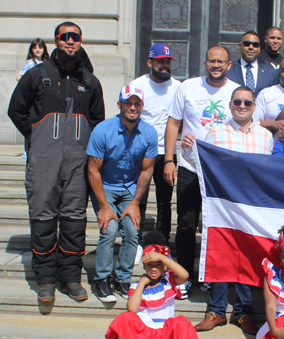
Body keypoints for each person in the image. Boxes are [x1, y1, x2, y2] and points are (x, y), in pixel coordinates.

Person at [8, 21, 105, 302]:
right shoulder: (38, 75)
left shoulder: (90, 82)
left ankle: (71, 277)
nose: (70, 41)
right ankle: (46, 279)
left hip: (77, 164)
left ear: (80, 40)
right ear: (57, 41)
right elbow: (17, 110)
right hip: (43, 163)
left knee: (74, 220)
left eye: (74, 37)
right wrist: (37, 135)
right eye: (64, 37)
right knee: (43, 219)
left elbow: (97, 122)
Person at [182, 86, 273, 334]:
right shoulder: (216, 131)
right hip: (222, 205)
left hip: (251, 206)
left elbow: (269, 171)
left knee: (247, 257)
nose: (242, 106)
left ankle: (244, 312)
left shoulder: (265, 136)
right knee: (221, 254)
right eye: (237, 102)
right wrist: (189, 147)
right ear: (230, 105)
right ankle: (217, 311)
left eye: (247, 102)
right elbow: (197, 162)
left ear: (254, 106)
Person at [164, 46, 240, 298]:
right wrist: (168, 159)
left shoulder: (236, 92)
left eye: (221, 61)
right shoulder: (187, 87)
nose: (216, 65)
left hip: (221, 171)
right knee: (185, 223)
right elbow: (174, 122)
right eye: (212, 61)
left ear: (229, 65)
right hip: (190, 167)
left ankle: (211, 277)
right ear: (205, 63)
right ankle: (184, 275)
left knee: (216, 226)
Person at [100, 230, 204, 339]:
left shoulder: (169, 280)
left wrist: (162, 257)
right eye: (150, 265)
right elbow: (132, 310)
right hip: (143, 334)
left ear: (164, 266)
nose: (154, 269)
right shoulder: (137, 285)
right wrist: (142, 283)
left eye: (158, 265)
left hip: (164, 334)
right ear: (144, 266)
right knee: (124, 318)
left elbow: (185, 275)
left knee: (181, 323)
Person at [87, 86, 157, 303]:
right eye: (128, 103)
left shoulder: (149, 132)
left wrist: (135, 202)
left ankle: (122, 279)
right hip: (105, 185)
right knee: (109, 229)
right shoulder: (102, 130)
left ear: (142, 106)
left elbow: (147, 170)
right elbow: (92, 170)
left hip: (128, 187)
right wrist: (104, 207)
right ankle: (102, 279)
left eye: (137, 103)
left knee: (132, 229)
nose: (132, 108)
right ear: (119, 105)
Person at [128, 44, 181, 266]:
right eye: (160, 61)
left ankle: (162, 243)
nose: (165, 65)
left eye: (167, 61)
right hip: (141, 154)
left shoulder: (178, 87)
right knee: (138, 199)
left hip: (167, 153)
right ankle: (136, 243)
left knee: (164, 202)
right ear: (150, 62)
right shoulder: (137, 85)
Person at [227, 31, 279, 97]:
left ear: (259, 48)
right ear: (240, 46)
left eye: (255, 45)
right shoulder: (228, 70)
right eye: (247, 44)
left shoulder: (271, 74)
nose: (251, 47)